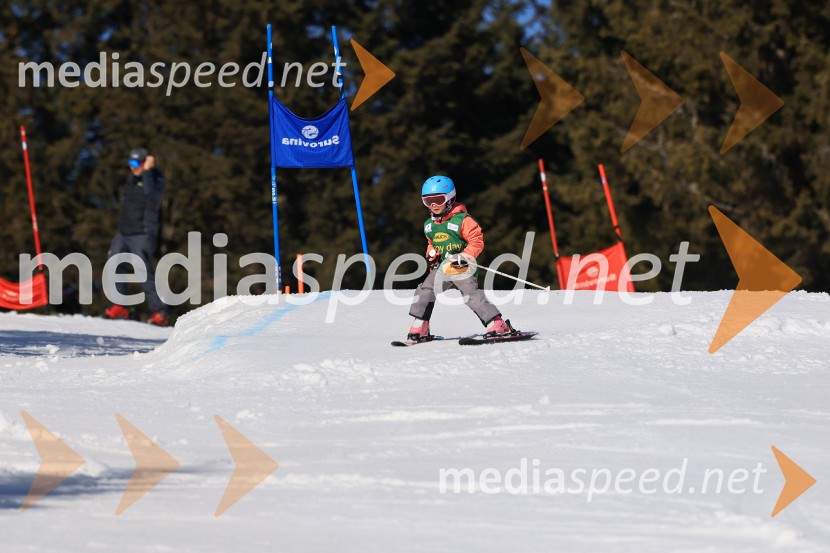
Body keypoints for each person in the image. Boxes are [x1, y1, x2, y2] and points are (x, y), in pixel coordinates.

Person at [406, 175, 514, 342]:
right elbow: (431, 244)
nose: (433, 205)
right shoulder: (429, 225)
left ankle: (498, 324)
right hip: (444, 267)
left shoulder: (463, 220)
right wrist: (431, 255)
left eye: (438, 199)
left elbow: (477, 240)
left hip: (462, 266)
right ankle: (420, 326)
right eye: (428, 201)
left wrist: (465, 256)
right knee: (425, 289)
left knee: (469, 293)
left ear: (449, 198)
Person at [103, 148, 169, 326]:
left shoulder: (156, 179)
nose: (132, 168)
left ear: (146, 162)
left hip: (143, 232)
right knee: (114, 264)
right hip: (124, 232)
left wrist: (148, 171)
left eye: (136, 164)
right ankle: (121, 306)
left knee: (143, 272)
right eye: (130, 164)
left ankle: (160, 312)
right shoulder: (132, 177)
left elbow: (150, 193)